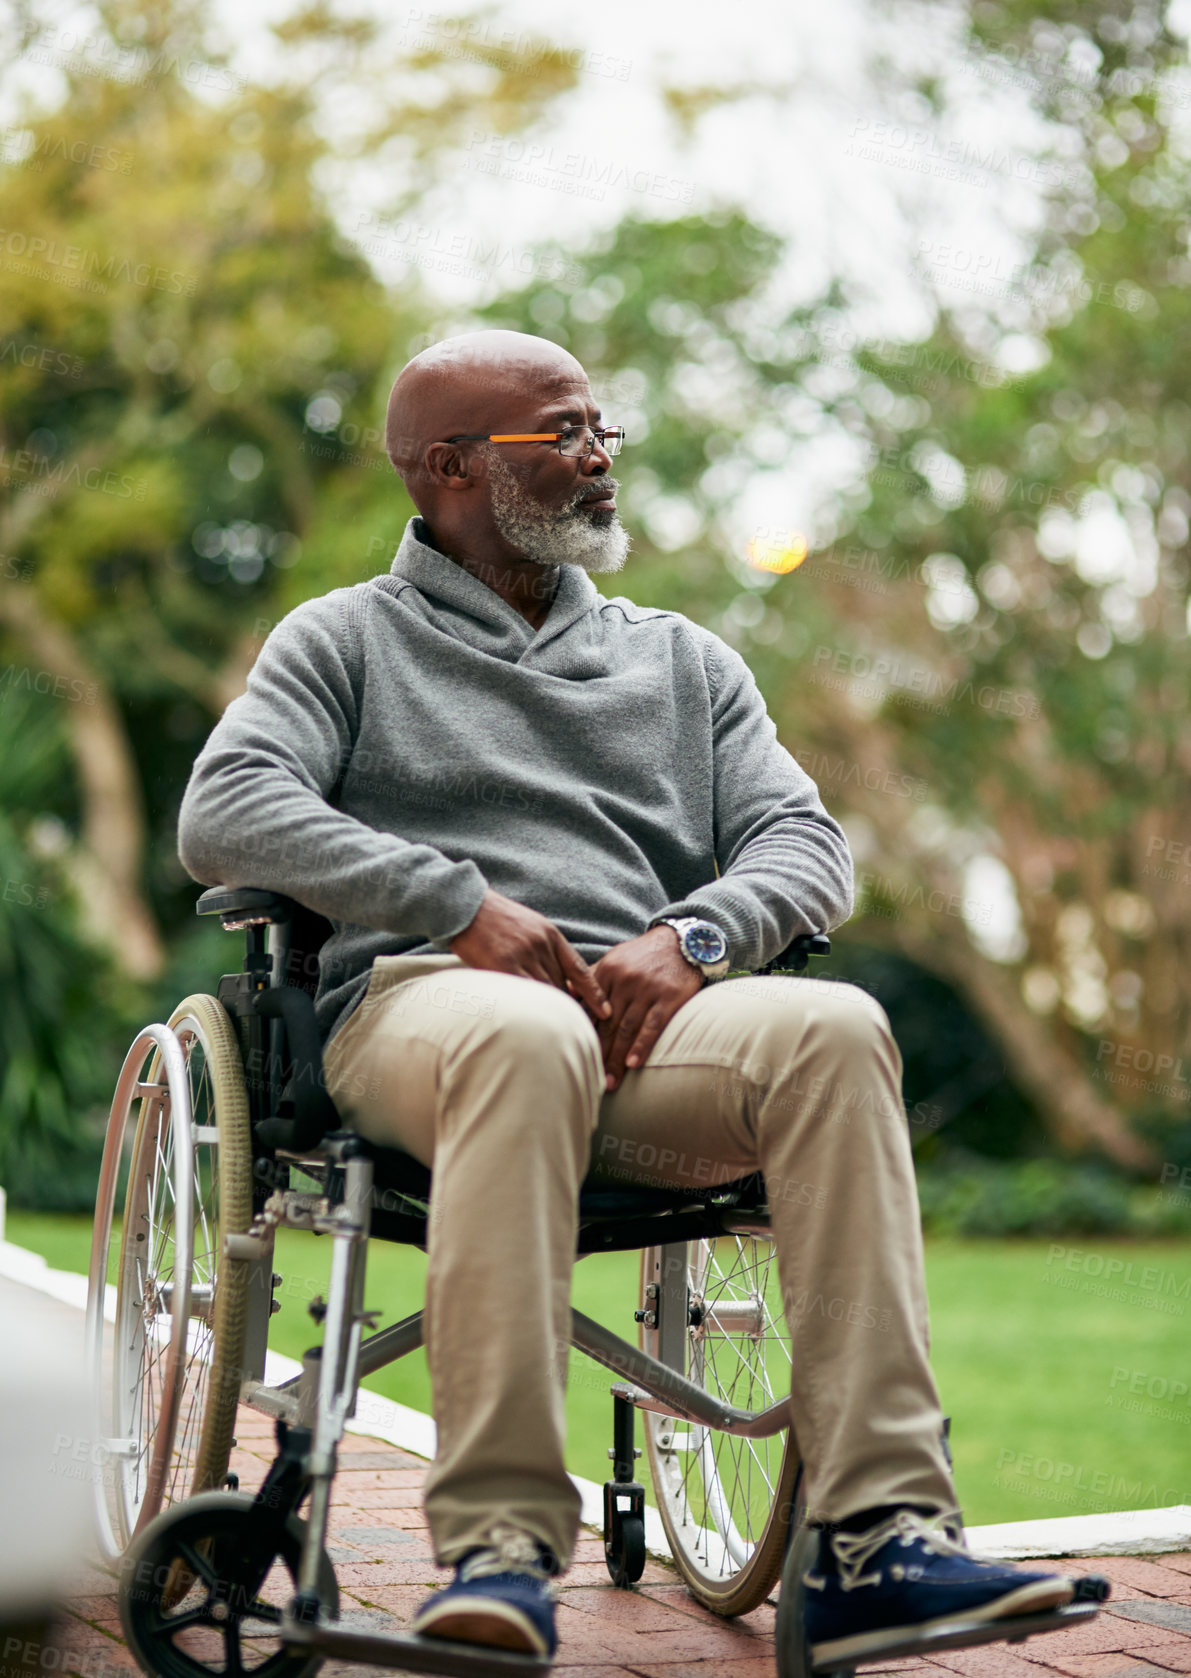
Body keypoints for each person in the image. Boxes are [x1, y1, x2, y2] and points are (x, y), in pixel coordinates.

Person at [177, 329, 1081, 1666]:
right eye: (564, 433)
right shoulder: (345, 641)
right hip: (425, 1014)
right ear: (449, 469)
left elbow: (805, 842)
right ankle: (498, 1549)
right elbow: (226, 811)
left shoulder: (684, 662)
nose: (601, 459)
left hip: (649, 1033)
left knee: (835, 1029)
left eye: (605, 429)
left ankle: (873, 1534)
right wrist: (458, 903)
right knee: (524, 1031)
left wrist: (698, 936)